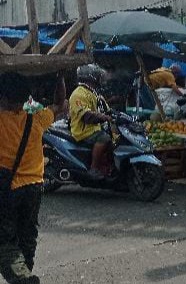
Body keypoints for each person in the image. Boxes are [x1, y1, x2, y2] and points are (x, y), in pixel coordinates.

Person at [0, 72, 64, 284]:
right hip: (34, 187)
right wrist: (60, 78)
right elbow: (59, 104)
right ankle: (24, 273)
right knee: (27, 237)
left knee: (5, 241)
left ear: (4, 98)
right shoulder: (36, 117)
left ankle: (24, 279)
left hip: (8, 188)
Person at [69, 64, 114, 180]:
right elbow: (86, 116)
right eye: (98, 76)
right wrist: (103, 117)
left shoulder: (94, 93)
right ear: (91, 77)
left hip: (95, 128)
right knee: (104, 138)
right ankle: (93, 168)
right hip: (83, 131)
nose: (100, 78)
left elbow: (107, 110)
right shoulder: (78, 94)